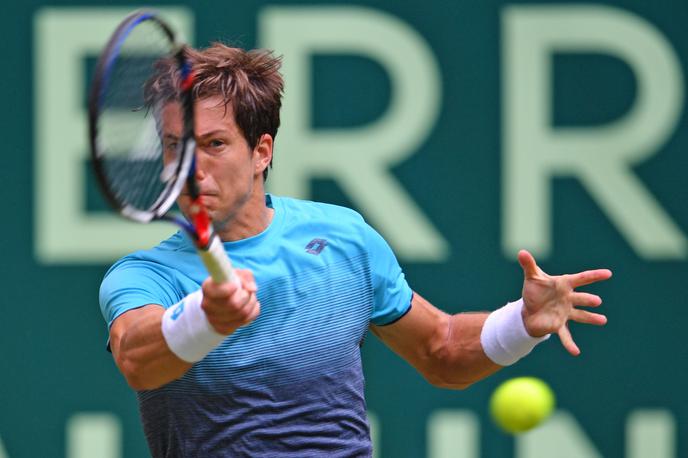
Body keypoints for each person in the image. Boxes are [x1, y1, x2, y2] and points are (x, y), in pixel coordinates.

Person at [99, 43, 612, 457]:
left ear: (262, 152)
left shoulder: (343, 237)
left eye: (213, 145)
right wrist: (205, 318)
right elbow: (137, 360)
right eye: (175, 146)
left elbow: (440, 350)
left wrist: (521, 320)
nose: (191, 168)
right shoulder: (146, 275)